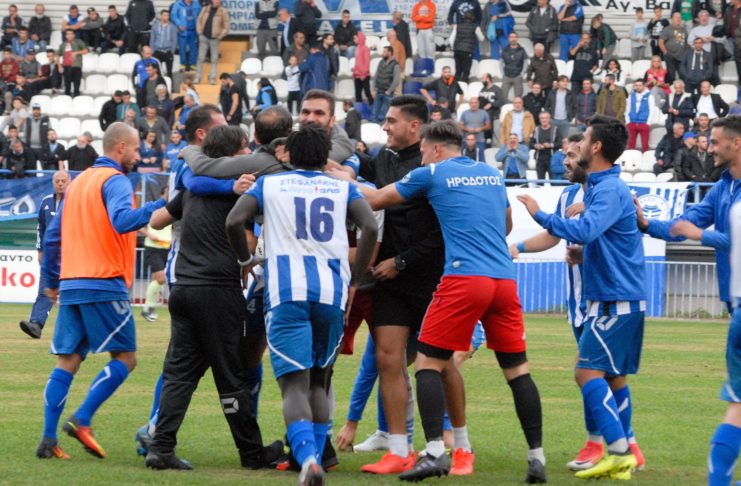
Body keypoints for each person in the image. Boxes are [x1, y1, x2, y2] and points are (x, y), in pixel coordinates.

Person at [332, 120, 546, 482]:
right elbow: (506, 225)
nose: (421, 157)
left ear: (433, 148)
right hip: (505, 281)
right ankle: (536, 458)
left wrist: (342, 180)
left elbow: (376, 199)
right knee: (517, 371)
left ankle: (433, 453)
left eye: (423, 152)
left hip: (465, 278)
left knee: (427, 364)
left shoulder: (431, 173)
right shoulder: (491, 174)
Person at [144, 123, 285, 471]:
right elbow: (248, 240)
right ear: (233, 154)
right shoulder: (241, 189)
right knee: (231, 374)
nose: (249, 154)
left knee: (180, 374)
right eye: (244, 149)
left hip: (184, 289)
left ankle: (160, 446)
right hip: (218, 290)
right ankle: (252, 453)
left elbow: (157, 221)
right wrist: (247, 258)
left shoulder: (193, 188)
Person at [518, 114, 645, 480]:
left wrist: (539, 214)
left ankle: (618, 451)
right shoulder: (601, 187)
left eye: (584, 139)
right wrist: (584, 255)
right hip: (610, 296)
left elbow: (587, 229)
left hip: (615, 299)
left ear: (596, 146)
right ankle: (624, 449)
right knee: (609, 375)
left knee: (587, 371)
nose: (576, 147)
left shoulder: (608, 189)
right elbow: (609, 240)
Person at [34, 123, 166, 461]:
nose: (138, 155)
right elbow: (122, 221)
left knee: (68, 360)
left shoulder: (77, 183)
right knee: (125, 358)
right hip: (104, 281)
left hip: (72, 282)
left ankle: (48, 440)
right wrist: (160, 205)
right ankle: (82, 419)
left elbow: (52, 237)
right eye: (135, 148)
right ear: (121, 147)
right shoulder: (116, 180)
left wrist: (52, 279)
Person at [347, 96, 445, 475]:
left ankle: (451, 444)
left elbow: (440, 233)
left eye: (391, 121)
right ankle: (398, 448)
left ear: (415, 126)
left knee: (441, 365)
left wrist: (401, 261)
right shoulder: (384, 157)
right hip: (388, 280)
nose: (385, 127)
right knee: (388, 360)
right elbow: (357, 167)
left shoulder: (433, 165)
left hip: (430, 280)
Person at [710, 116, 741, 486]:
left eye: (716, 141)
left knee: (738, 407)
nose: (710, 147)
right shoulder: (724, 190)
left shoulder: (733, 202)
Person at [19, 171, 71, 339]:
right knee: (44, 290)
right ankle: (36, 324)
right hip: (50, 255)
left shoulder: (75, 202)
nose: (60, 183)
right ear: (53, 183)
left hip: (72, 255)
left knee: (73, 292)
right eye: (57, 181)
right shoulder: (46, 202)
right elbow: (40, 228)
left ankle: (79, 328)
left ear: (69, 182)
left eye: (63, 181)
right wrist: (40, 250)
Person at [139, 189, 171, 322]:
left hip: (167, 247)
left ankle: (148, 308)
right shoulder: (154, 208)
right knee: (161, 278)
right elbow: (138, 224)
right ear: (162, 194)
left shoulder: (174, 208)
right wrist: (149, 234)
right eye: (167, 192)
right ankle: (147, 309)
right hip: (153, 248)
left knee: (158, 280)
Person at [195, 0, 229, 85]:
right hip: (204, 37)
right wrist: (199, 33)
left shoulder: (223, 11)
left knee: (214, 59)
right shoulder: (205, 9)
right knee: (200, 58)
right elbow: (199, 20)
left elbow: (226, 27)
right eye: (215, 0)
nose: (217, 1)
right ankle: (197, 77)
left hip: (215, 39)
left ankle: (212, 79)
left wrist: (220, 36)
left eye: (218, 1)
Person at [371, 46, 401, 123]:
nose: (382, 53)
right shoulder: (381, 62)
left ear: (389, 53)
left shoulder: (395, 65)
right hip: (379, 91)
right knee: (374, 112)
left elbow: (396, 80)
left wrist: (389, 90)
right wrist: (373, 89)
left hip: (388, 93)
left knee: (387, 113)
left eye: (384, 52)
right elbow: (376, 76)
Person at [659, 12, 689, 83]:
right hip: (670, 56)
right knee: (671, 76)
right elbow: (661, 42)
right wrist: (665, 52)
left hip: (681, 57)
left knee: (683, 75)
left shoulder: (684, 30)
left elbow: (687, 43)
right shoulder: (667, 29)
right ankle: (670, 89)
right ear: (672, 19)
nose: (678, 19)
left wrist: (686, 53)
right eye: (676, 17)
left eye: (679, 17)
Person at [626, 79, 655, 152]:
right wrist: (628, 121)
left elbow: (651, 110)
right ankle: (631, 158)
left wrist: (648, 123)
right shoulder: (631, 96)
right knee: (631, 145)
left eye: (640, 85)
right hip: (632, 122)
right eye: (636, 85)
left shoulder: (649, 96)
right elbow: (627, 109)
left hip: (644, 123)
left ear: (644, 86)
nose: (638, 87)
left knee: (645, 145)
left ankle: (645, 158)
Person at [171, 0, 201, 72]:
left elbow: (201, 14)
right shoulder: (178, 4)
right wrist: (179, 24)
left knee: (193, 48)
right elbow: (173, 16)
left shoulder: (196, 3)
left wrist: (199, 24)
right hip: (183, 31)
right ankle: (183, 65)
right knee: (182, 49)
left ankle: (192, 65)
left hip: (193, 30)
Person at [58, 29, 87, 98]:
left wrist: (76, 52)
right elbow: (57, 56)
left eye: (71, 34)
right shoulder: (62, 45)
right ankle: (67, 99)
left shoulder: (78, 42)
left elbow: (86, 51)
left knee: (76, 87)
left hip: (76, 66)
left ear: (74, 35)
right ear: (65, 36)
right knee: (67, 88)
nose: (69, 35)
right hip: (66, 66)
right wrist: (59, 66)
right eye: (68, 34)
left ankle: (76, 98)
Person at [150, 10, 178, 78]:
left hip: (168, 51)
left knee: (169, 72)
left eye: (168, 15)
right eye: (165, 15)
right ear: (161, 16)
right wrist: (153, 51)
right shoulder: (155, 26)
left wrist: (172, 51)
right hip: (157, 51)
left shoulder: (172, 27)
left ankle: (170, 84)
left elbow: (174, 40)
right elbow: (152, 39)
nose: (166, 17)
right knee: (156, 72)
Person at [452, 10, 479, 83]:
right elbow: (481, 38)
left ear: (463, 17)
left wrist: (453, 48)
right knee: (466, 72)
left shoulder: (457, 26)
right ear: (473, 18)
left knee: (458, 71)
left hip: (457, 50)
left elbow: (452, 38)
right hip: (468, 51)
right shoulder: (475, 27)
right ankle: (464, 86)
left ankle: (454, 86)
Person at [545, 76, 574, 141]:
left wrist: (571, 117)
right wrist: (549, 117)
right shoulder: (552, 93)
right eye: (563, 81)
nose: (565, 83)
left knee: (564, 140)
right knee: (552, 139)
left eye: (566, 81)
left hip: (565, 121)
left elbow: (574, 106)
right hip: (553, 120)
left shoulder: (570, 93)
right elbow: (546, 106)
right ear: (558, 83)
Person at [531, 111, 558, 180]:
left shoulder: (555, 130)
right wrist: (536, 145)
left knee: (553, 181)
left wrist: (551, 145)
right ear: (539, 119)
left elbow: (560, 143)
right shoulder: (536, 130)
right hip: (539, 159)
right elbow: (530, 143)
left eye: (546, 118)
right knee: (540, 181)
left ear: (549, 119)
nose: (544, 120)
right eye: (542, 118)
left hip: (552, 159)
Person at [501, 32, 527, 100]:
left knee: (518, 97)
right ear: (509, 39)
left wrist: (522, 74)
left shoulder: (522, 50)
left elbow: (526, 62)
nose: (513, 39)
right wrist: (502, 73)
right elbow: (501, 62)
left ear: (517, 38)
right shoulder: (505, 49)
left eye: (515, 37)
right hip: (506, 76)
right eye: (511, 37)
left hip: (517, 76)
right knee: (503, 96)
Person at [352, 32, 372, 105]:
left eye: (355, 38)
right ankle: (359, 109)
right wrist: (354, 70)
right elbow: (358, 62)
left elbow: (367, 62)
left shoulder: (365, 49)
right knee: (358, 94)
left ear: (359, 38)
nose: (354, 40)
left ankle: (372, 107)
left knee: (367, 93)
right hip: (357, 75)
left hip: (364, 75)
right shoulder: (358, 48)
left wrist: (363, 74)